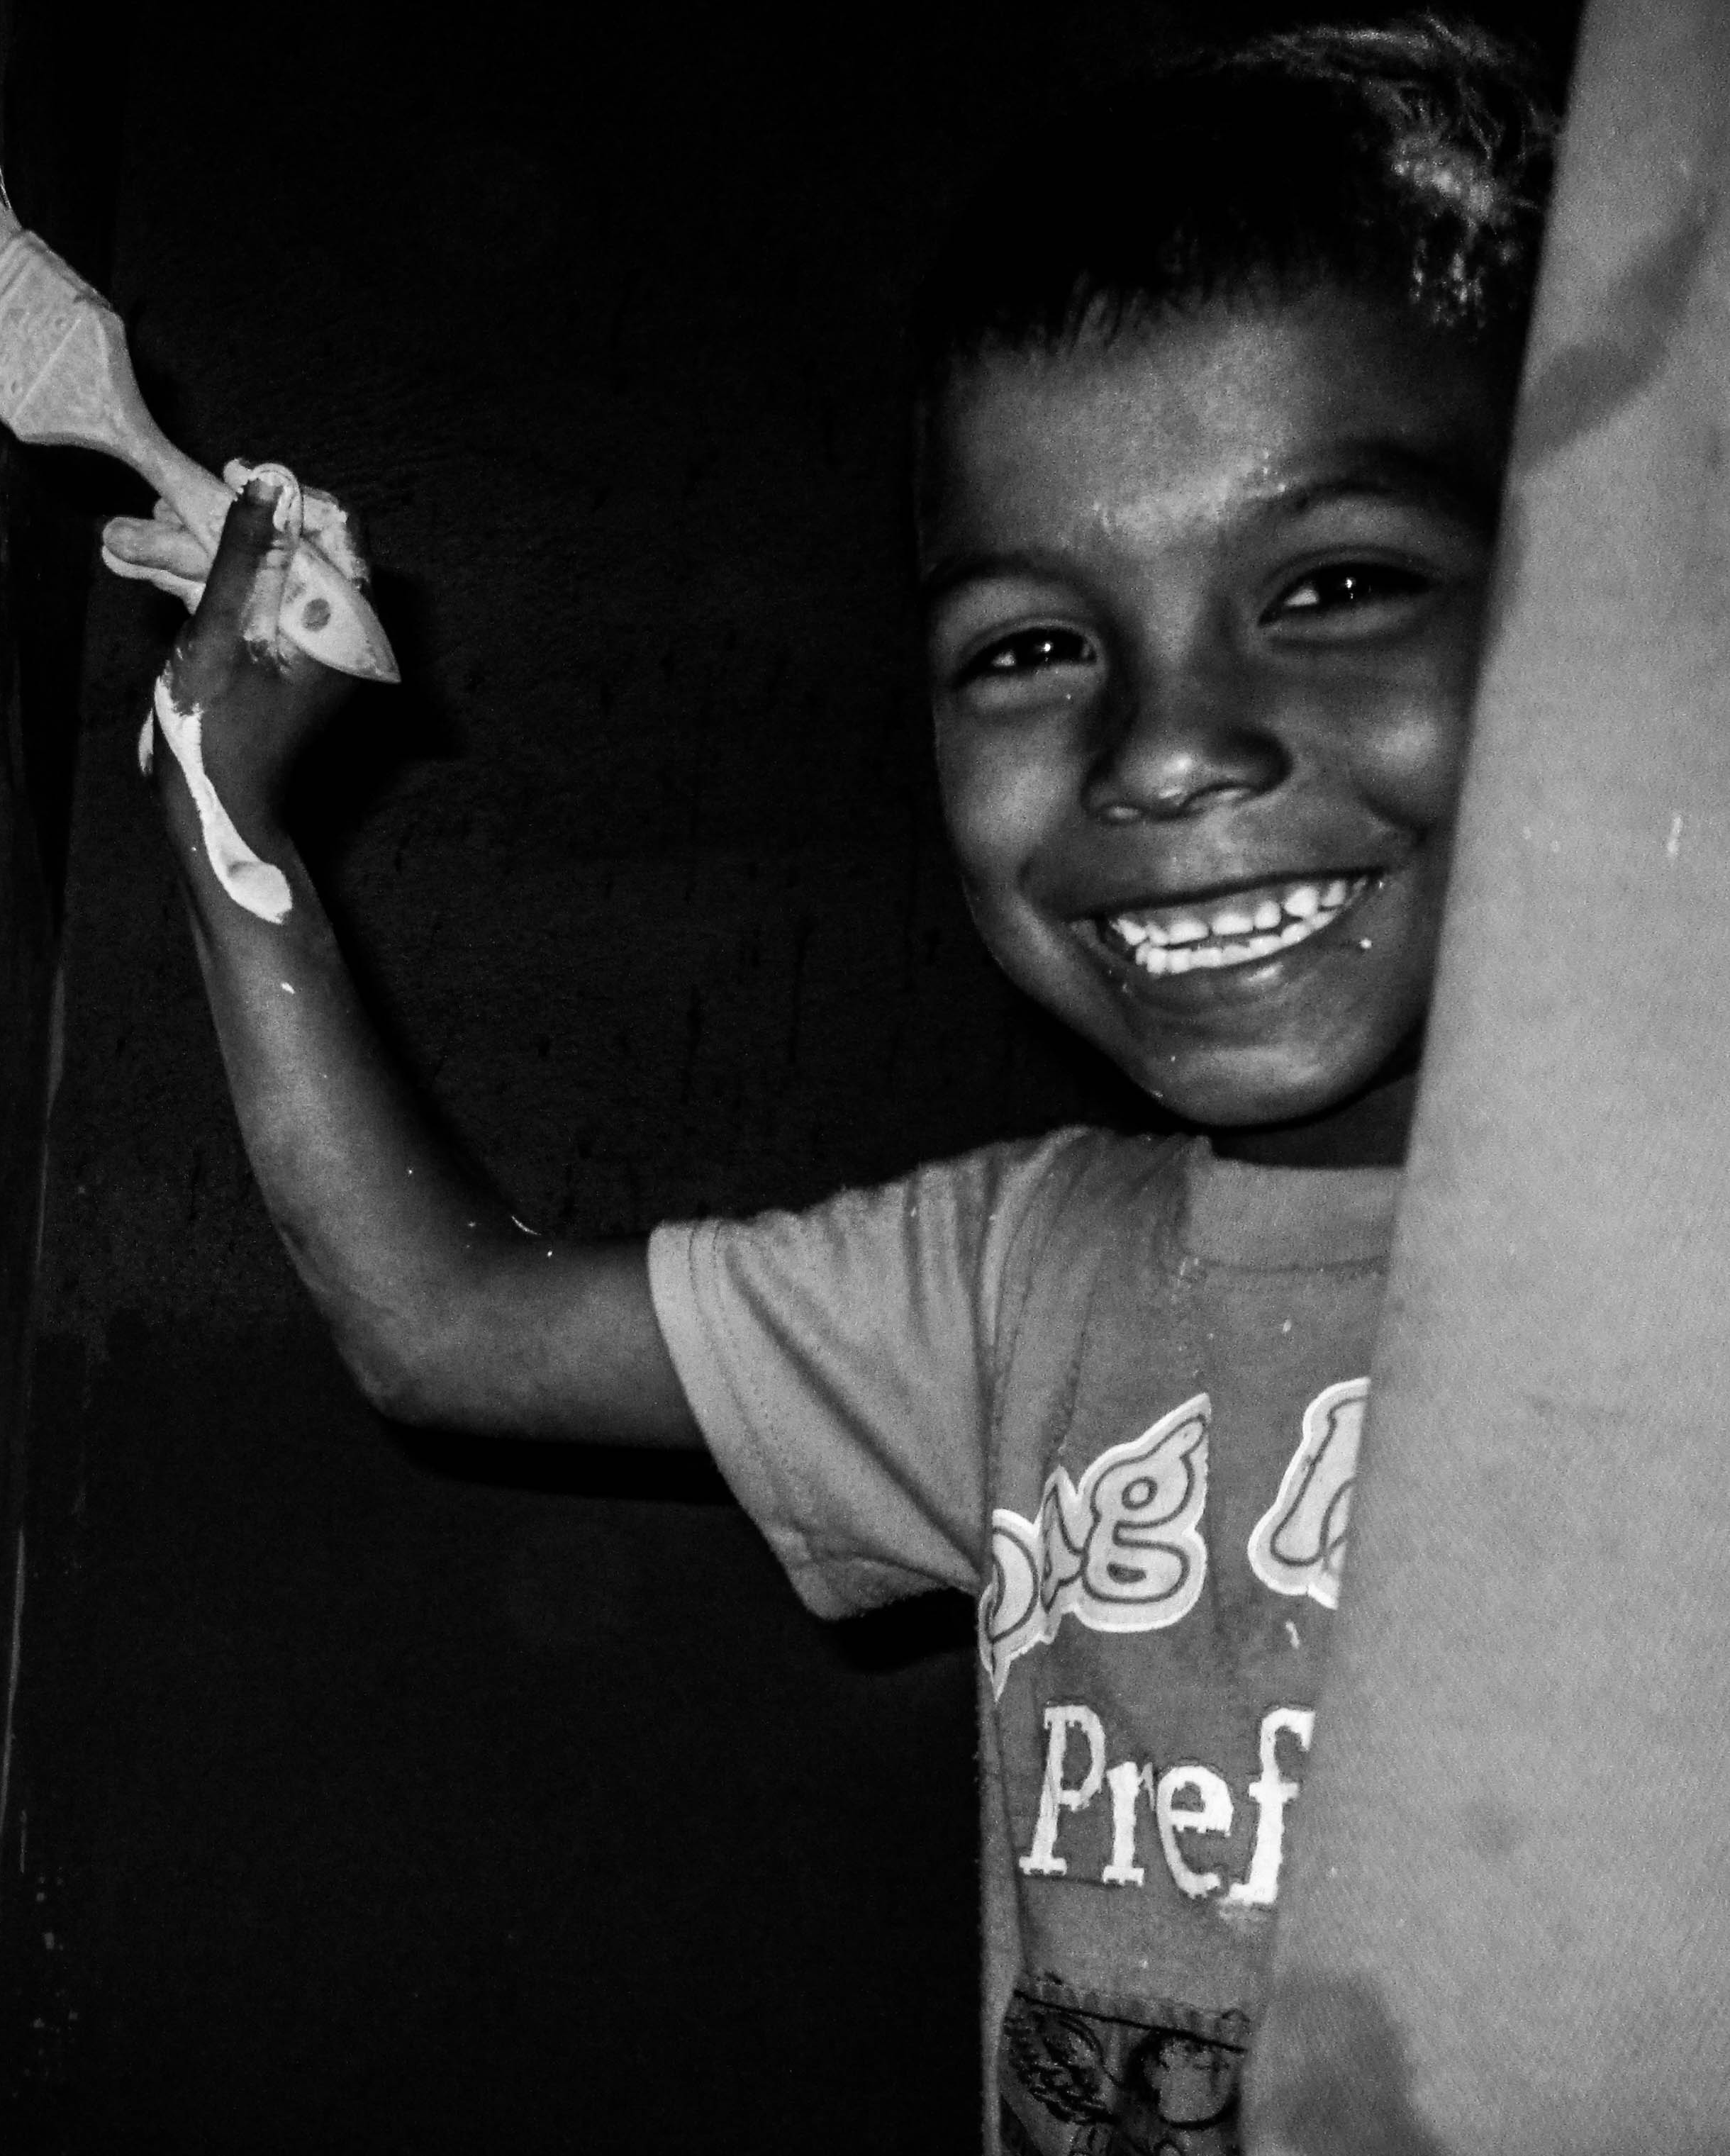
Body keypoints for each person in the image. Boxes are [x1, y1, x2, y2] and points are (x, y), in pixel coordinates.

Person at [96, 16, 1558, 2152]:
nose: (1166, 751)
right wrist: (224, 799)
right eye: (1032, 645)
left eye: (1334, 589)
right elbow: (444, 1324)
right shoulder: (1020, 1283)